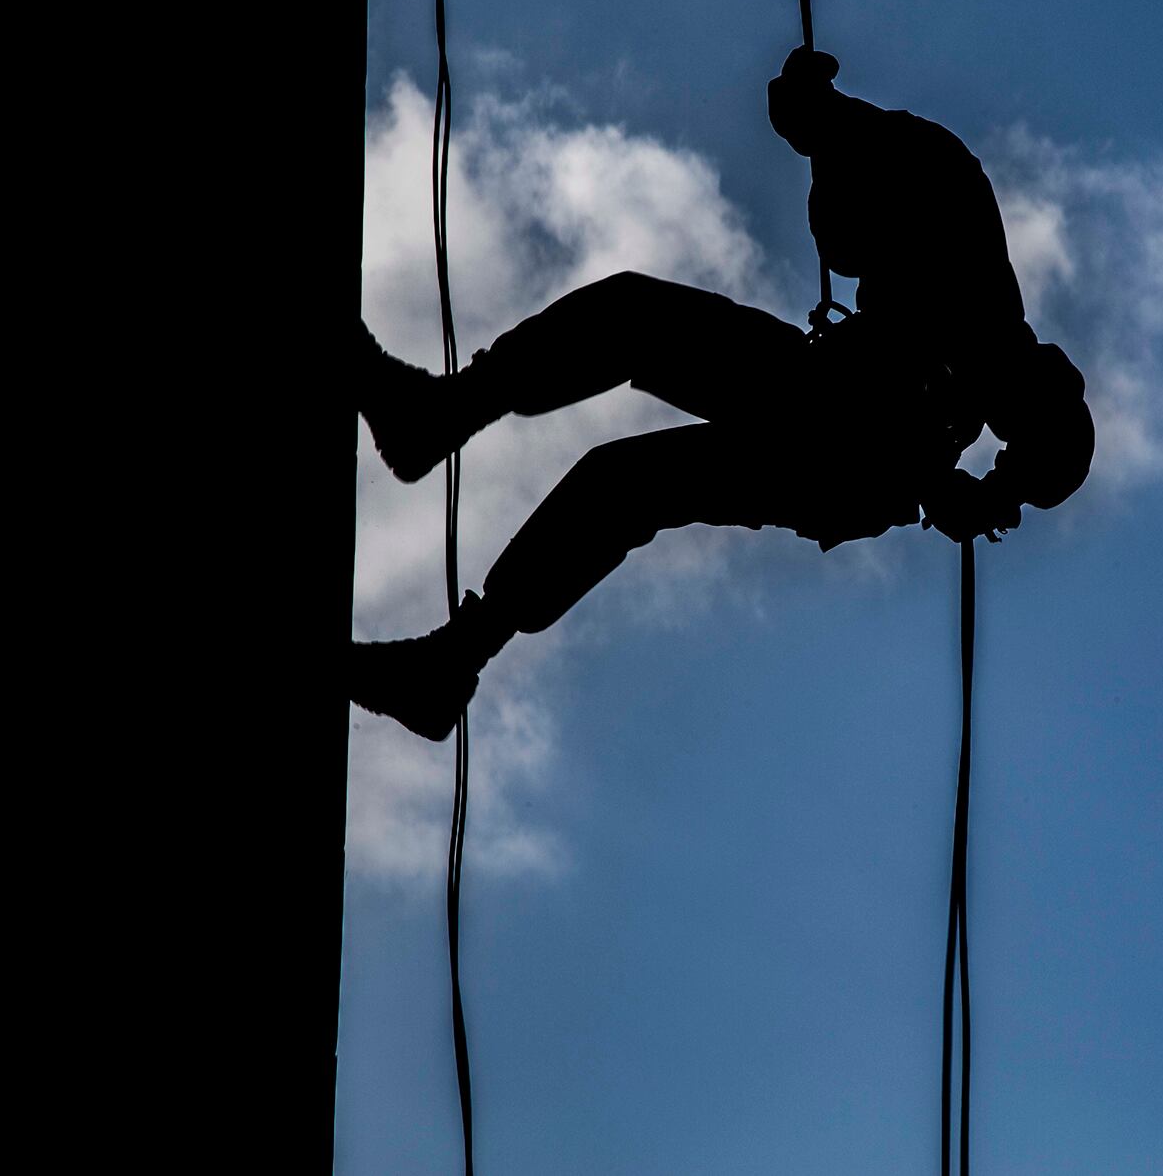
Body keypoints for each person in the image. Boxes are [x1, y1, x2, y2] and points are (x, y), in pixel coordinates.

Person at [351, 48, 1093, 739]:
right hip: (826, 411)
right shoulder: (955, 238)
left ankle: (453, 638)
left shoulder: (965, 352)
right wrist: (819, 124)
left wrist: (958, 488)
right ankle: (444, 494)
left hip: (837, 444)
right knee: (631, 374)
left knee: (628, 449)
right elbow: (847, 243)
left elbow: (901, 396)